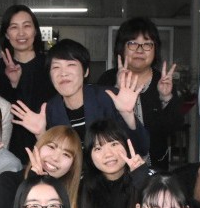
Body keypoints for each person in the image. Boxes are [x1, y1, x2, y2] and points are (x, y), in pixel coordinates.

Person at [10, 39, 150, 156]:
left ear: (86, 71)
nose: (63, 73)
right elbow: (55, 161)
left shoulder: (109, 98)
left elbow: (141, 149)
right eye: (56, 67)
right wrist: (41, 134)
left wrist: (128, 115)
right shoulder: (50, 110)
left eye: (71, 65)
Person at [95, 18, 185, 170]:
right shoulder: (107, 79)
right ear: (121, 48)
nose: (140, 50)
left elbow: (173, 128)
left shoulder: (162, 81)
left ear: (155, 49)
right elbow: (98, 125)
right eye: (132, 43)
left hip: (154, 166)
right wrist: (117, 88)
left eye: (147, 44)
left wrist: (165, 97)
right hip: (114, 166)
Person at [0, 5, 56, 164]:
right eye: (14, 27)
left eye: (27, 26)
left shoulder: (51, 66)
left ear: (35, 31)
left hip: (47, 149)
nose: (21, 33)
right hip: (5, 153)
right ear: (6, 34)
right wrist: (13, 84)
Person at [0, 126, 83, 208]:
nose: (55, 158)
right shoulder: (8, 181)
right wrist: (33, 181)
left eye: (66, 154)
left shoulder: (76, 196)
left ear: (72, 166)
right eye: (51, 147)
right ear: (38, 147)